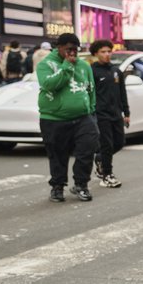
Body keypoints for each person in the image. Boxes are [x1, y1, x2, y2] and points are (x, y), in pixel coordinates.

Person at [37, 33, 98, 202]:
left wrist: (91, 112)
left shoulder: (84, 66)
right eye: (68, 49)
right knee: (57, 155)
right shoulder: (45, 65)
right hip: (54, 119)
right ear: (59, 47)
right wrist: (66, 66)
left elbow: (91, 89)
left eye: (75, 50)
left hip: (83, 117)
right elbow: (49, 85)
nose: (73, 53)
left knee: (87, 149)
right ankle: (57, 187)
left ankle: (81, 184)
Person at [90, 40, 130, 188]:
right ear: (96, 54)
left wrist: (126, 112)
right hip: (101, 114)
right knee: (106, 144)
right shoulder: (92, 71)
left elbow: (122, 93)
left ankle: (100, 159)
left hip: (116, 113)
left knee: (119, 142)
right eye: (103, 52)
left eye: (109, 51)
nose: (107, 54)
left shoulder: (116, 71)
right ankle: (107, 175)